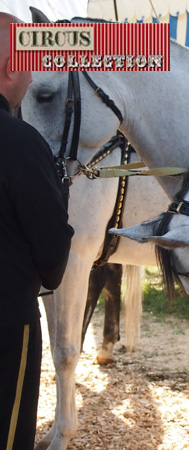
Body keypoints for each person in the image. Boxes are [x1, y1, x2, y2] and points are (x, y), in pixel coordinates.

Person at [0, 12, 74, 450]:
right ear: (10, 69)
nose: (30, 78)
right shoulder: (21, 142)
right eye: (27, 65)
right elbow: (52, 252)